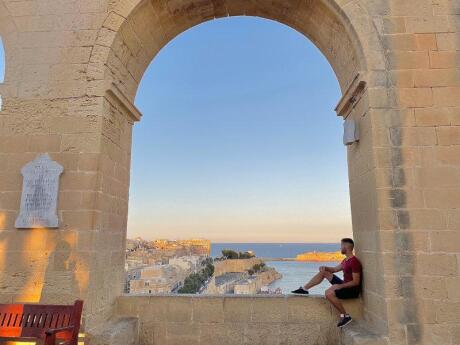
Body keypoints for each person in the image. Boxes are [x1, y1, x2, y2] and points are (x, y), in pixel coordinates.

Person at [291, 238, 362, 328]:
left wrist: (339, 286)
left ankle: (346, 316)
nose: (340, 248)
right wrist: (325, 267)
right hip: (345, 285)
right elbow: (335, 270)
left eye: (341, 246)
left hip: (351, 290)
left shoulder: (354, 262)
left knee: (328, 293)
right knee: (324, 272)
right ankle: (304, 289)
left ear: (345, 247)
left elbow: (356, 282)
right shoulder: (346, 260)